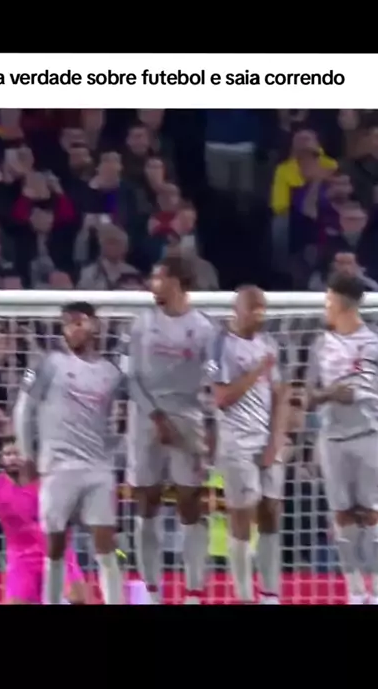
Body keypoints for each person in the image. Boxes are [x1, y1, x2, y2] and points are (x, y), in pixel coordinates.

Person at [14, 302, 124, 605]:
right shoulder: (48, 364)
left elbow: (123, 415)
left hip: (98, 469)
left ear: (95, 325)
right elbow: (24, 409)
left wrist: (117, 445)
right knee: (55, 546)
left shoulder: (111, 372)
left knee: (106, 546)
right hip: (58, 468)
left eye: (79, 322)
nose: (72, 329)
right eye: (67, 324)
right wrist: (26, 454)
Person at [123, 255, 216, 604]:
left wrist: (211, 423)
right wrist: (157, 417)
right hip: (145, 418)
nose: (152, 284)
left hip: (188, 417)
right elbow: (130, 377)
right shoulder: (141, 324)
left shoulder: (204, 329)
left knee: (190, 502)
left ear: (177, 281)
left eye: (158, 277)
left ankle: (193, 591)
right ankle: (151, 590)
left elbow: (213, 379)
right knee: (146, 501)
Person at [210, 286, 288, 604]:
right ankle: (243, 595)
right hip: (237, 444)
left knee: (271, 513)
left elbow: (281, 394)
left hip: (267, 440)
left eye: (262, 309)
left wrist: (276, 440)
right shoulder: (219, 344)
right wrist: (257, 371)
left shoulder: (269, 343)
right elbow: (221, 397)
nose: (260, 315)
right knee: (243, 516)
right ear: (237, 310)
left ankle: (270, 594)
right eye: (254, 309)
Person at [306, 273, 378, 605]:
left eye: (329, 298)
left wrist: (343, 393)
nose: (326, 304)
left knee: (372, 515)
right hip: (331, 439)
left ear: (342, 302)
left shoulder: (372, 343)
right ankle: (354, 590)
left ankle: (375, 589)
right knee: (342, 516)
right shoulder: (320, 344)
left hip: (369, 435)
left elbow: (361, 389)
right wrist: (323, 395)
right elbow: (309, 392)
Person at [0, 437, 87, 604]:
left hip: (57, 552)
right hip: (22, 559)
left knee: (77, 598)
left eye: (17, 454)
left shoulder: (49, 482)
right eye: (8, 454)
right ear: (1, 459)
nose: (12, 458)